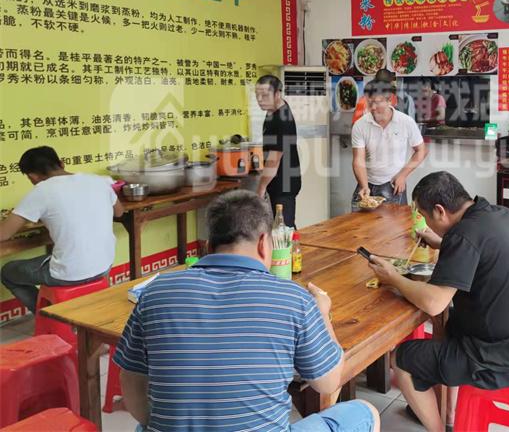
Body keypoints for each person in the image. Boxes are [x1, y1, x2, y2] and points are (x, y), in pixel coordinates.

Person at [113, 189, 380, 432]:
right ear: (264, 243)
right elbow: (328, 382)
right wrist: (322, 312)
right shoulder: (296, 300)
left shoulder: (154, 293)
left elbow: (133, 393)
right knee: (364, 413)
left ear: (208, 245)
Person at [368, 172, 509, 432]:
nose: (426, 223)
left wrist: (393, 277)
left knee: (402, 358)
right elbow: (480, 248)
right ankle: (448, 412)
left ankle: (439, 428)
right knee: (452, 326)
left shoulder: (463, 236)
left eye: (424, 216)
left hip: (506, 358)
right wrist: (442, 243)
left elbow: (434, 303)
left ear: (439, 211)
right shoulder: (501, 215)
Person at [0, 146, 122, 312]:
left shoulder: (42, 191)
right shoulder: (99, 181)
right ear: (61, 163)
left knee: (8, 272)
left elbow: (4, 234)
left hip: (70, 274)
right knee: (61, 256)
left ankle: (48, 315)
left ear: (32, 176)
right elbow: (119, 212)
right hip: (104, 267)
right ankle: (56, 313)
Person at [351, 80, 427, 210]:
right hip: (367, 183)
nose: (372, 107)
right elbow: (358, 159)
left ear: (390, 100)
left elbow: (421, 151)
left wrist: (403, 175)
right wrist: (364, 185)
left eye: (377, 102)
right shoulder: (360, 125)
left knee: (396, 222)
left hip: (393, 185)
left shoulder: (406, 122)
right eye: (369, 102)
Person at [255, 74, 301, 228]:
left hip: (284, 184)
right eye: (257, 95)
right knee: (280, 228)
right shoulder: (273, 110)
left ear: (277, 94)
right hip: (278, 182)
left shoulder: (282, 119)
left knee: (283, 230)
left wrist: (261, 188)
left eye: (264, 95)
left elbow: (274, 160)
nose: (260, 99)